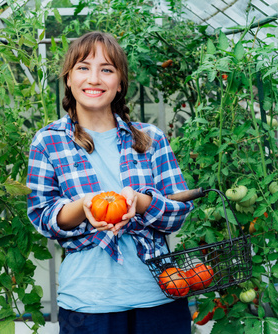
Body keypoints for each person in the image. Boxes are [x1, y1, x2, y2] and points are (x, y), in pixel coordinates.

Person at [26, 31, 194, 334]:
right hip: (88, 305)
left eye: (106, 69)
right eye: (83, 67)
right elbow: (42, 217)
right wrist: (83, 206)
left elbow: (179, 211)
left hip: (159, 297)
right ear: (68, 78)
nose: (94, 79)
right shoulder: (48, 142)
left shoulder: (150, 138)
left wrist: (142, 202)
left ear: (119, 84)